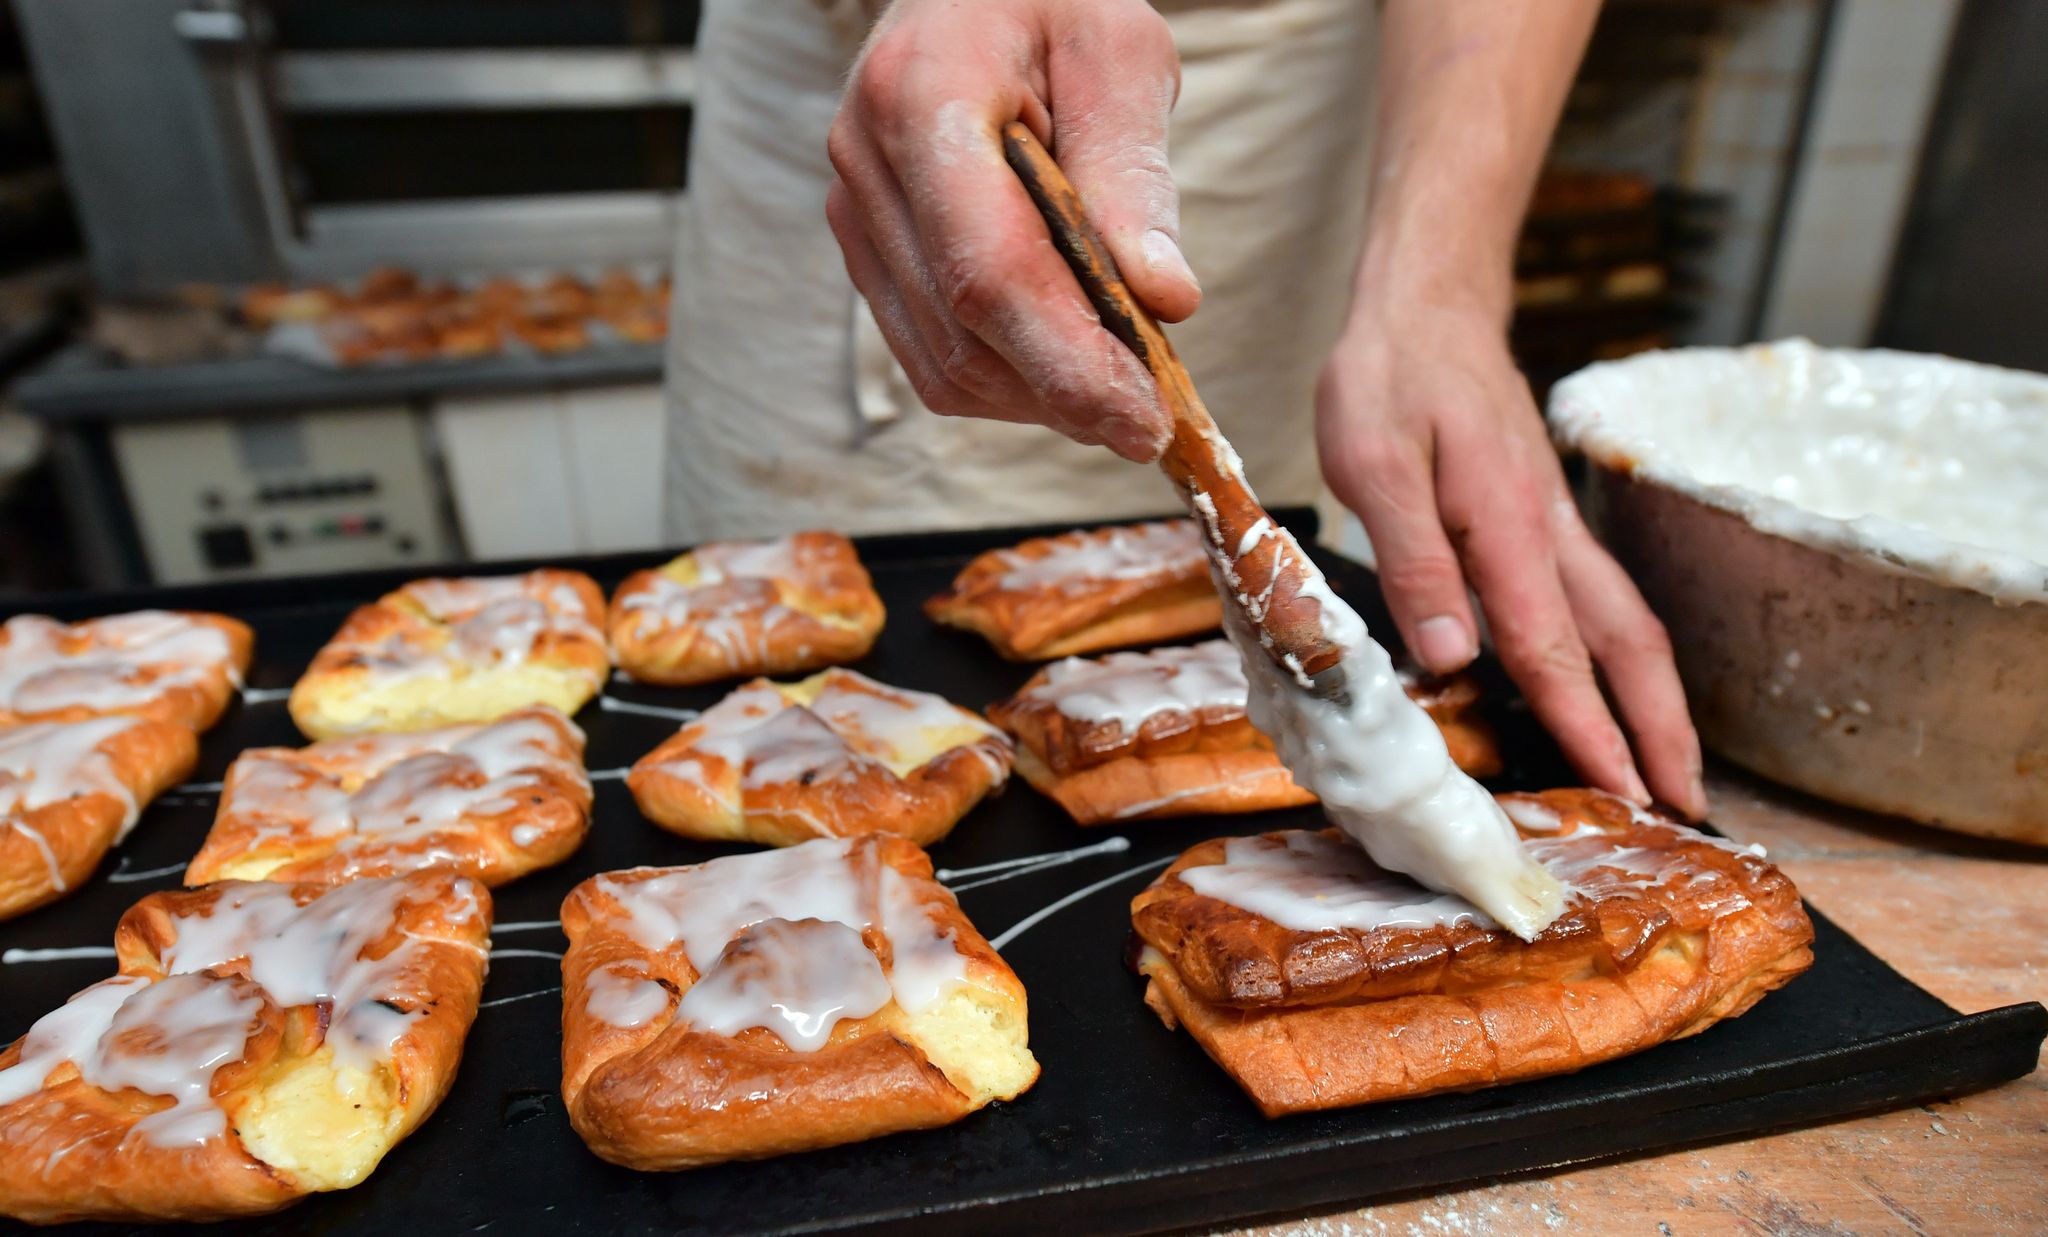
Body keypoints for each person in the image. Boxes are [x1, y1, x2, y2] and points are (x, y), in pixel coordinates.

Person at [663, 0, 1705, 818]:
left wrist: (1440, 287)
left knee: (1249, 597)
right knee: (757, 671)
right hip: (810, 88)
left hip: (1246, 111)